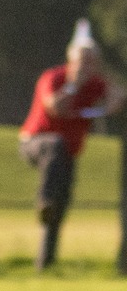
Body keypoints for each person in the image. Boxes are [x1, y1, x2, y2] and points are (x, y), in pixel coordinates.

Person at [19, 20, 123, 271]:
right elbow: (54, 106)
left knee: (61, 203)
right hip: (35, 144)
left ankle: (45, 263)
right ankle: (44, 200)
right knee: (55, 145)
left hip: (66, 155)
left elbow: (118, 96)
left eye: (90, 61)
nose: (85, 66)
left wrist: (110, 103)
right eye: (81, 60)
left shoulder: (96, 84)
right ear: (70, 60)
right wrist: (75, 85)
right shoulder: (54, 78)